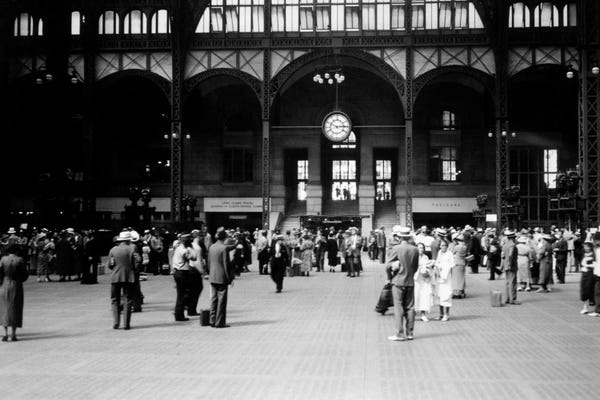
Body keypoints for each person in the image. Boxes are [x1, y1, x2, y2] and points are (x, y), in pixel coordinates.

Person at [386, 226, 419, 342]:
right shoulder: (415, 249)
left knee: (398, 307)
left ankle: (399, 334)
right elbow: (415, 267)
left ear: (399, 237)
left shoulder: (396, 248)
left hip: (398, 281)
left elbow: (388, 265)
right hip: (410, 281)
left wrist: (389, 277)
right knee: (410, 307)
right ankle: (410, 332)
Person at [107, 231, 139, 330]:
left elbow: (110, 265)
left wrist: (116, 269)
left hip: (115, 277)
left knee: (115, 299)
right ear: (128, 240)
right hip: (129, 277)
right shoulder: (131, 249)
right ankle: (126, 324)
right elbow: (136, 263)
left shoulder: (113, 250)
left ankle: (116, 322)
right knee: (128, 299)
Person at [0, 245, 29, 342]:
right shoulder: (20, 260)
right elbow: (24, 275)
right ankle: (13, 334)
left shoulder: (3, 259)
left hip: (4, 285)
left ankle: (5, 333)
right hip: (16, 285)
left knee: (4, 309)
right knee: (15, 308)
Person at [208, 228, 234, 328]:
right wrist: (230, 278)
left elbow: (209, 262)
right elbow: (226, 265)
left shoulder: (211, 247)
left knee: (213, 299)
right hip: (221, 277)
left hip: (212, 276)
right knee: (222, 301)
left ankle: (212, 320)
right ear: (225, 238)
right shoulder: (223, 248)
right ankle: (220, 322)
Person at [172, 233, 197, 321]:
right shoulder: (184, 250)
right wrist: (192, 248)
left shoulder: (179, 248)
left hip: (177, 272)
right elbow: (194, 257)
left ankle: (178, 313)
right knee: (182, 295)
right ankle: (179, 315)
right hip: (182, 273)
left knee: (181, 294)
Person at [434, 240, 453, 321]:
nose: (443, 247)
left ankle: (447, 314)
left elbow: (451, 265)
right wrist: (437, 269)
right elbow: (437, 263)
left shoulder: (449, 254)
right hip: (439, 278)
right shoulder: (439, 253)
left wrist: (443, 270)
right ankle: (441, 314)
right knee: (440, 295)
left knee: (447, 295)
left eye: (445, 245)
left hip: (446, 278)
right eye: (442, 245)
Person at [414, 243, 434, 322]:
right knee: (416, 296)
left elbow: (429, 267)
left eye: (422, 248)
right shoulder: (414, 257)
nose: (421, 249)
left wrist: (428, 272)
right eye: (419, 248)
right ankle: (413, 314)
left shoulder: (426, 257)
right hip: (417, 279)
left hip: (425, 279)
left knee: (425, 296)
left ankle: (423, 314)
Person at [501, 230, 520, 305]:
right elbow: (510, 255)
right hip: (511, 265)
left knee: (507, 282)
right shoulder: (512, 245)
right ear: (513, 238)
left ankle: (507, 298)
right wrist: (510, 264)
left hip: (506, 265)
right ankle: (513, 299)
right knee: (513, 282)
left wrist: (502, 265)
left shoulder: (505, 245)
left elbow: (502, 256)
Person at [580, 241, 596, 314]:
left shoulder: (594, 255)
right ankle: (585, 307)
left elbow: (595, 265)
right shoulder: (583, 254)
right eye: (584, 247)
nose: (585, 248)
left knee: (590, 289)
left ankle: (593, 304)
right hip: (584, 274)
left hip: (591, 274)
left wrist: (588, 266)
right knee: (584, 290)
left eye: (587, 246)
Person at [451, 233, 467, 299]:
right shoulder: (464, 246)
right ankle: (461, 292)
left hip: (456, 264)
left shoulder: (457, 247)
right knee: (461, 279)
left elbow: (451, 253)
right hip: (462, 264)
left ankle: (456, 293)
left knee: (455, 279)